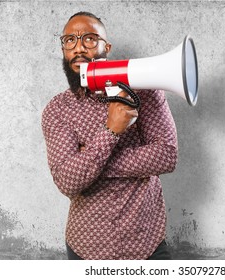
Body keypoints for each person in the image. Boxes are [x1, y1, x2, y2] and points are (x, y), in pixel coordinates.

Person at [41, 11, 178, 260]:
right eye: (69, 40)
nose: (78, 48)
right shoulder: (58, 109)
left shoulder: (145, 90)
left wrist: (88, 159)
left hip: (147, 242)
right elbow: (67, 181)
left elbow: (166, 156)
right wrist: (111, 131)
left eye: (90, 39)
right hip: (87, 248)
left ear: (107, 47)